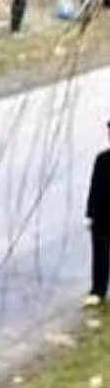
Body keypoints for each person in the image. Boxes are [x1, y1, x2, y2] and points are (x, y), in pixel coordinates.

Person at [86, 117, 110, 307]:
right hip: (102, 215)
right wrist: (90, 214)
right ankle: (98, 290)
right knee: (99, 255)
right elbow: (95, 187)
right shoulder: (102, 159)